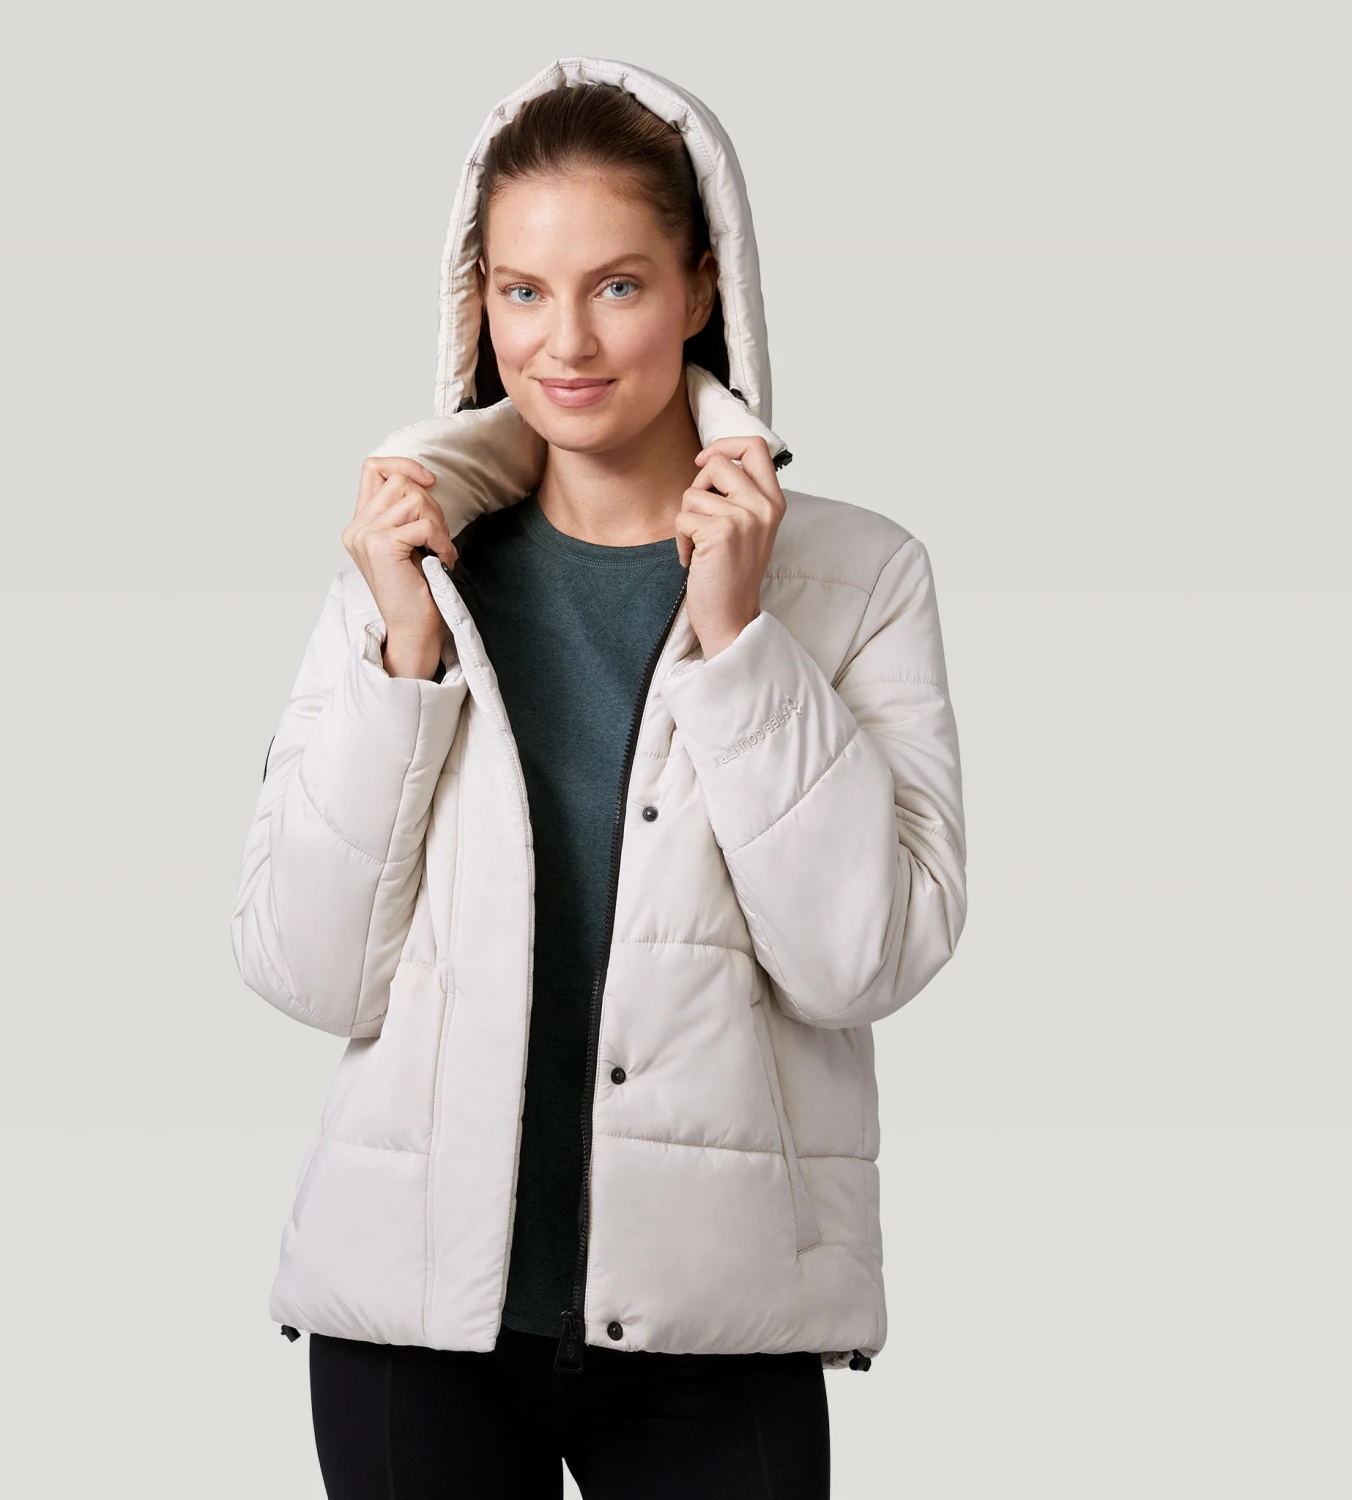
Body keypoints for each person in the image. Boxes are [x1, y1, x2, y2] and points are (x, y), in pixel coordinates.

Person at [231, 56, 968, 1500]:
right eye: (523, 290)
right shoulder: (404, 577)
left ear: (701, 289)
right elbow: (306, 971)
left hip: (718, 1327)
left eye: (617, 285)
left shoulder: (858, 578)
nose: (563, 341)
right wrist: (401, 656)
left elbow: (862, 957)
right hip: (410, 1329)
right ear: (479, 305)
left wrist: (740, 643)